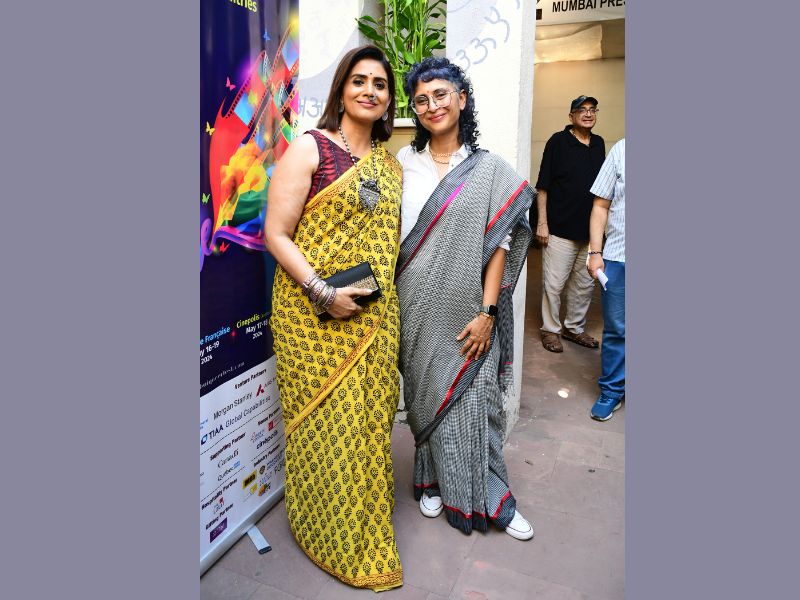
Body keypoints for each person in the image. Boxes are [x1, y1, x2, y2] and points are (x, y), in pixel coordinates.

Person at [264, 45, 403, 591]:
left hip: (373, 319)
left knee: (366, 425)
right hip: (309, 319)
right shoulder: (311, 148)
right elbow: (276, 234)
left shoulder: (389, 166)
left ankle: (361, 523)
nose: (370, 90)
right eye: (359, 80)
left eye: (380, 84)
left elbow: (386, 248)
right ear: (342, 89)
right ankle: (320, 526)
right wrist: (323, 294)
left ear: (389, 99)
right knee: (322, 426)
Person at [395, 57, 534, 541]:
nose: (431, 105)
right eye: (421, 100)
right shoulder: (402, 164)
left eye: (440, 94)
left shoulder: (489, 169)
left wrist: (488, 313)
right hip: (414, 307)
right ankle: (430, 480)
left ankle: (494, 496)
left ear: (461, 98)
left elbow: (500, 245)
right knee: (426, 399)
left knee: (479, 403)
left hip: (469, 310)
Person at [535, 95, 606, 353]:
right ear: (571, 116)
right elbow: (543, 185)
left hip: (589, 233)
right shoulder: (558, 141)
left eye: (592, 109)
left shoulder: (598, 144)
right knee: (553, 285)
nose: (588, 114)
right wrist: (542, 223)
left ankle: (574, 328)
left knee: (584, 286)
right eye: (581, 110)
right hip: (559, 229)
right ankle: (550, 329)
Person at [587, 138, 625, 421]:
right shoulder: (621, 150)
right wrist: (595, 253)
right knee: (616, 329)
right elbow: (600, 205)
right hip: (619, 256)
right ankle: (612, 390)